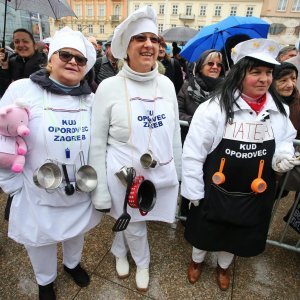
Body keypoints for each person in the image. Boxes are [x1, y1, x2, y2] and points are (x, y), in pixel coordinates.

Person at [181, 38, 300, 291]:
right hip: (215, 189)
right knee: (205, 230)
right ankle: (196, 261)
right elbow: (193, 152)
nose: (264, 79)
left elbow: (285, 140)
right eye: (255, 72)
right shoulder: (213, 108)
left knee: (236, 234)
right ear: (238, 75)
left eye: (268, 72)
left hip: (254, 191)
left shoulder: (279, 109)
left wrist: (282, 158)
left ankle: (224, 267)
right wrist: (192, 190)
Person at [0, 26, 101, 300]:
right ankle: (45, 281)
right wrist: (12, 185)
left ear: (86, 66)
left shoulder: (92, 100)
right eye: (65, 55)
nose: (72, 62)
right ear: (50, 58)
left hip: (79, 188)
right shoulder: (22, 89)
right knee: (39, 241)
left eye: (80, 59)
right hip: (36, 190)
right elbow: (3, 137)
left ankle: (72, 264)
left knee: (76, 233)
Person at [89, 6, 181, 292]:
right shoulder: (109, 87)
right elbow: (96, 141)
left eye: (154, 39)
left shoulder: (166, 84)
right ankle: (142, 262)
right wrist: (100, 189)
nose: (148, 45)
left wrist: (178, 175)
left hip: (158, 171)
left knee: (129, 219)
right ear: (127, 48)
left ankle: (118, 250)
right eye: (139, 38)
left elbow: (174, 132)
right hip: (122, 175)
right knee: (135, 224)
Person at [177, 49, 224, 221]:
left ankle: (205, 214)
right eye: (210, 63)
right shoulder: (188, 86)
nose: (215, 67)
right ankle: (184, 213)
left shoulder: (226, 90)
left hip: (214, 146)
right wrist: (195, 122)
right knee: (190, 176)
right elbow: (177, 111)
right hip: (190, 141)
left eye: (219, 64)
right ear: (201, 67)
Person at [0, 28, 47, 97]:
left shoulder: (45, 62)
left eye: (25, 41)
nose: (21, 45)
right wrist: (4, 67)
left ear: (35, 45)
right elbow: (3, 91)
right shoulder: (11, 61)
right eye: (16, 42)